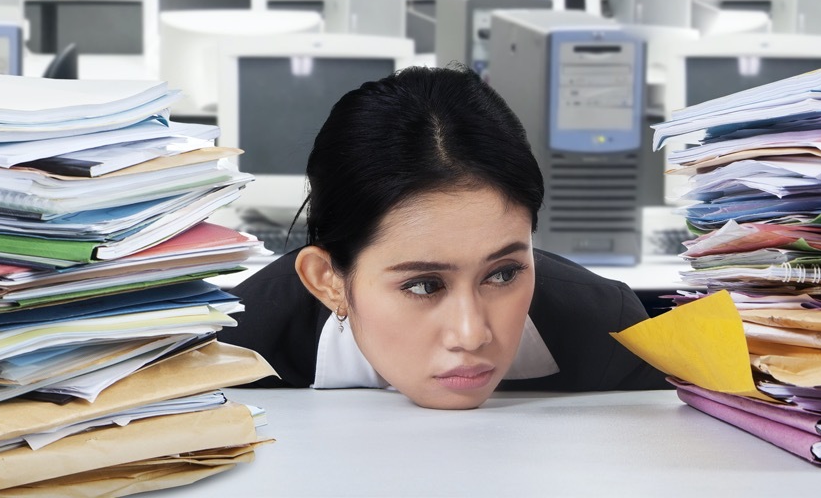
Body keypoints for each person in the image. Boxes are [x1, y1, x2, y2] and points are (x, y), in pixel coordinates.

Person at [219, 64, 668, 409]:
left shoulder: (611, 330)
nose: (472, 336)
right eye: (423, 285)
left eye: (504, 274)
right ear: (328, 280)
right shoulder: (229, 351)